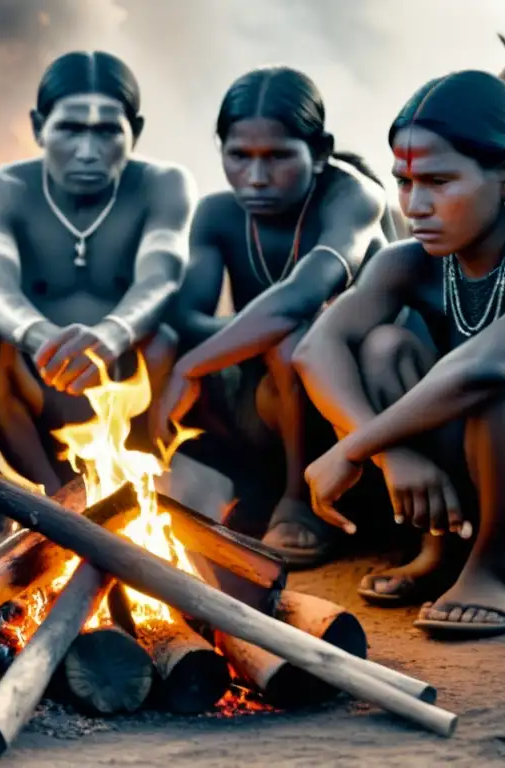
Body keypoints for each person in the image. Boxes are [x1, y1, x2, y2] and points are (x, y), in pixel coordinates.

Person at [293, 70, 505, 637]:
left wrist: (356, 447)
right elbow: (316, 349)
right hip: (473, 474)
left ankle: (499, 567)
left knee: (495, 367)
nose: (415, 206)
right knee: (384, 346)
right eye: (405, 183)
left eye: (439, 181)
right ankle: (443, 550)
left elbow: (500, 359)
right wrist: (392, 456)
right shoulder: (409, 261)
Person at [154, 67, 395, 567]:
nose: (256, 177)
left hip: (351, 404)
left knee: (295, 340)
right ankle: (178, 484)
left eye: (279, 156)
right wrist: (247, 340)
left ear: (321, 150)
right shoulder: (217, 214)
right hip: (263, 402)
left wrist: (191, 365)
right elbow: (184, 317)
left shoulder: (351, 199)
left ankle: (298, 503)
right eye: (239, 156)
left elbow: (301, 298)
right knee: (162, 340)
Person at [0, 50, 196, 496]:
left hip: (126, 384)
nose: (87, 151)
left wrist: (112, 334)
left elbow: (161, 274)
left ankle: (134, 489)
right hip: (39, 384)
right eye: (69, 128)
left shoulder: (163, 184)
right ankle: (50, 502)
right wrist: (42, 339)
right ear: (37, 127)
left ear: (135, 132)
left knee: (160, 338)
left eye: (107, 131)